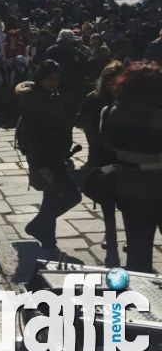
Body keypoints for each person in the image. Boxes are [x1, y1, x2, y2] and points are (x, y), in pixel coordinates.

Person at [101, 61, 162, 273]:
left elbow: (108, 149)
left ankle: (139, 297)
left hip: (130, 188)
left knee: (137, 251)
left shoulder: (110, 113)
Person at [15, 60, 81, 251]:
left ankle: (47, 238)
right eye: (50, 79)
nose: (54, 82)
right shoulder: (34, 101)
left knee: (51, 198)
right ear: (41, 78)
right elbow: (31, 136)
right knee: (71, 196)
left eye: (57, 79)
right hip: (44, 159)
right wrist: (41, 165)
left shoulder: (51, 96)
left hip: (55, 156)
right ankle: (38, 226)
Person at [76, 60, 124, 266]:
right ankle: (110, 236)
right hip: (101, 156)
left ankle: (127, 237)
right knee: (107, 201)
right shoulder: (94, 99)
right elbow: (83, 123)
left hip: (122, 156)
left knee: (126, 201)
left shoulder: (128, 99)